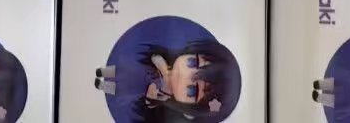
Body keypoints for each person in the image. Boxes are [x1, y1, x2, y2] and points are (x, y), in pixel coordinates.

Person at [95, 39, 242, 122]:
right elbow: (155, 58)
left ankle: (103, 85)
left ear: (191, 112)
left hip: (139, 88)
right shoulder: (165, 62)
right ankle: (103, 72)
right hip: (142, 71)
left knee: (123, 88)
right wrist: (164, 70)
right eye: (192, 62)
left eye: (192, 91)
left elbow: (149, 106)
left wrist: (151, 98)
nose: (183, 75)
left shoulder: (165, 101)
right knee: (124, 70)